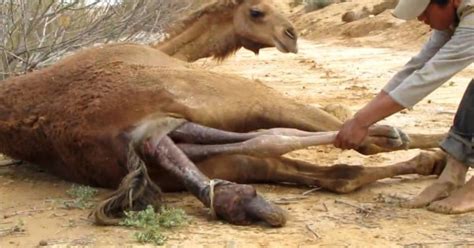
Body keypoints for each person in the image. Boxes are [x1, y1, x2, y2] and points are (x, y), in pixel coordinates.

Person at [334, 0, 474, 214]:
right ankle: (452, 176)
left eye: (425, 11)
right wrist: (360, 118)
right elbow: (417, 66)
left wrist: (363, 121)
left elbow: (430, 75)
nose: (421, 19)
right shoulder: (453, 17)